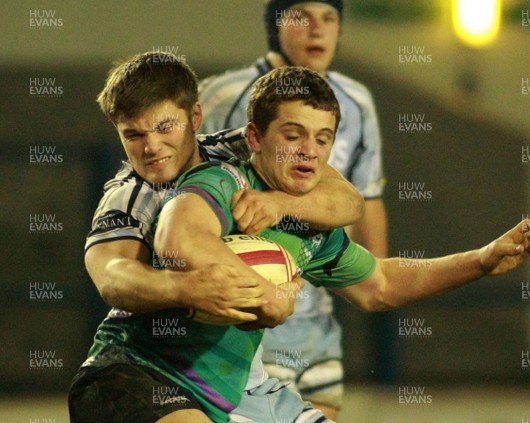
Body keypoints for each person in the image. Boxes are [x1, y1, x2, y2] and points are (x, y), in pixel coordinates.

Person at [156, 66, 530, 423]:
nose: (309, 152)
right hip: (155, 379)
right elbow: (180, 239)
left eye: (322, 139)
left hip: (236, 390)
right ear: (255, 138)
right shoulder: (224, 183)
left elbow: (381, 284)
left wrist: (482, 259)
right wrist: (267, 295)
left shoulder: (308, 225)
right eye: (293, 135)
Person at [68, 52, 364, 423]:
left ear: (194, 117)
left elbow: (349, 201)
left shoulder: (236, 148)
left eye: (164, 128)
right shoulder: (128, 197)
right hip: (135, 370)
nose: (151, 147)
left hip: (228, 381)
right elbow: (112, 276)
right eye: (134, 134)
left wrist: (277, 204)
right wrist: (185, 287)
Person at [198, 1, 387, 417]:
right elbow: (188, 189)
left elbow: (364, 198)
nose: (317, 30)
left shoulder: (357, 101)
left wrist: (374, 287)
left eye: (330, 18)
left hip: (316, 311)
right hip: (247, 316)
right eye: (302, 17)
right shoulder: (223, 93)